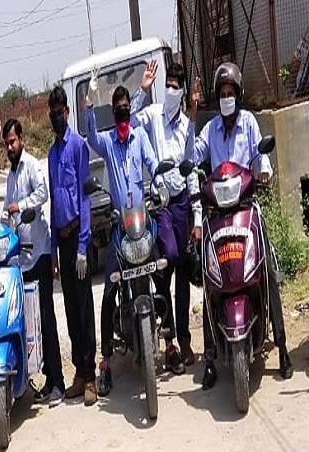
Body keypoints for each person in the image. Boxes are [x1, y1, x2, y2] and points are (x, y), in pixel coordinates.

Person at [190, 62, 294, 389]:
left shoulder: (248, 122)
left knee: (269, 266)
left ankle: (282, 346)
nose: (226, 98)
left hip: (247, 207)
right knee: (211, 277)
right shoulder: (209, 130)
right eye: (221, 94)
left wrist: (264, 171)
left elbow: (261, 155)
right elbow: (193, 156)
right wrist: (192, 113)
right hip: (217, 214)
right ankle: (210, 358)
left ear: (238, 94)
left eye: (230, 93)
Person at [85, 76, 160, 397]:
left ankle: (169, 340)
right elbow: (89, 135)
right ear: (112, 113)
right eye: (117, 110)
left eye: (125, 109)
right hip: (119, 226)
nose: (122, 114)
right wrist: (88, 105)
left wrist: (159, 182)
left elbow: (153, 164)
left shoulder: (139, 136)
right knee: (108, 291)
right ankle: (104, 360)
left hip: (142, 221)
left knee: (163, 268)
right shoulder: (107, 142)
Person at [130, 59, 201, 372]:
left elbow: (193, 168)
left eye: (176, 85)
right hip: (161, 205)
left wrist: (197, 217)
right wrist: (142, 91)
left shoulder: (187, 125)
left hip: (183, 203)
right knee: (167, 259)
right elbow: (128, 123)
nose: (171, 89)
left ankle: (181, 340)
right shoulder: (152, 116)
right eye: (167, 83)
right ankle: (168, 337)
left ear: (182, 89)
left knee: (184, 272)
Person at [1, 118, 65, 407]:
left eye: (13, 141)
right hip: (19, 260)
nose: (10, 147)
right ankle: (37, 379)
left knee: (46, 320)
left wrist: (21, 205)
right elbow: (7, 208)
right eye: (6, 144)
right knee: (27, 323)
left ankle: (58, 383)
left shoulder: (32, 167)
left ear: (22, 139)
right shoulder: (11, 174)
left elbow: (43, 194)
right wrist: (3, 221)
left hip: (38, 254)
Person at [47, 85, 98, 406]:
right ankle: (79, 373)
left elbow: (84, 197)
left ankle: (91, 376)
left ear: (68, 112)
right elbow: (54, 202)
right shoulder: (52, 154)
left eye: (60, 112)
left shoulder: (78, 147)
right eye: (51, 114)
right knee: (68, 310)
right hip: (62, 241)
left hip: (78, 238)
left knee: (84, 309)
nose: (56, 117)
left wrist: (83, 246)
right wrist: (53, 251)